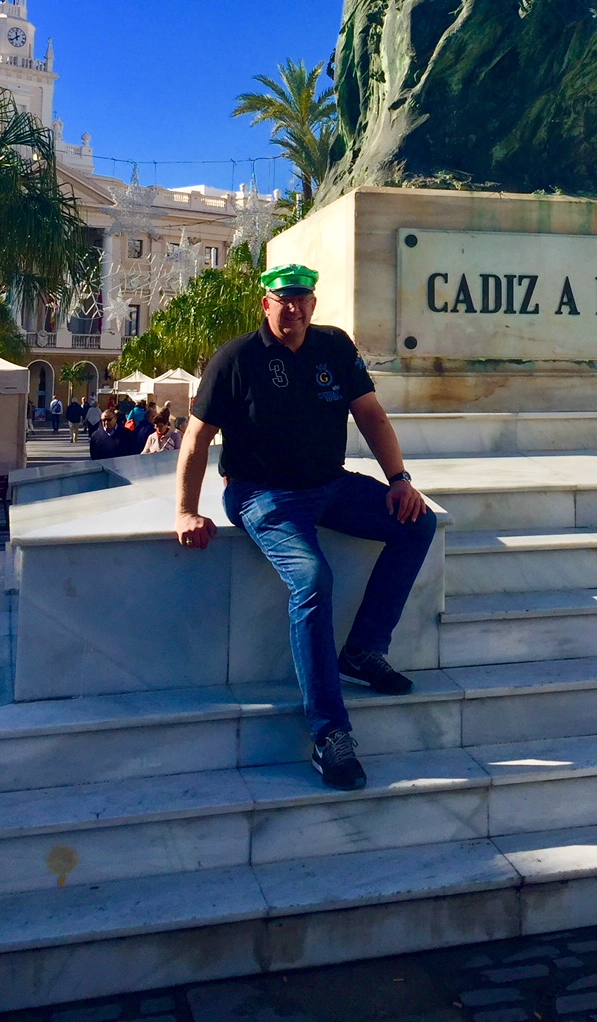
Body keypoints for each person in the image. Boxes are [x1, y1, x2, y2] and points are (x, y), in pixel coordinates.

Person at [176, 262, 436, 794]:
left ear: (314, 303)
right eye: (283, 299)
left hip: (329, 484)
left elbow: (371, 416)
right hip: (261, 494)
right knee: (312, 579)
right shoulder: (236, 358)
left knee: (417, 523)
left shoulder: (334, 347)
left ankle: (362, 651)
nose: (293, 307)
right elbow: (196, 439)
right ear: (265, 304)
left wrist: (399, 479)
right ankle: (329, 734)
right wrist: (186, 510)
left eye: (302, 298)